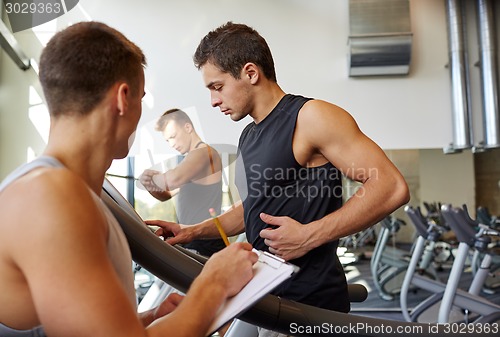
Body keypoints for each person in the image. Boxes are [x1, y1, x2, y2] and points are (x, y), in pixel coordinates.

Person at [147, 22, 410, 337]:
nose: (214, 101)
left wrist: (309, 235)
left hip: (306, 301)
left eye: (217, 87)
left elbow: (390, 186)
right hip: (261, 289)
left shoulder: (310, 117)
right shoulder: (249, 134)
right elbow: (253, 209)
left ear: (251, 73)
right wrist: (192, 232)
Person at [0, 21, 258, 337]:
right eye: (141, 98)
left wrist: (149, 319)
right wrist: (214, 284)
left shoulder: (64, 190)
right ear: (123, 98)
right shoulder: (51, 197)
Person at [139, 108, 226, 257]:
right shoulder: (190, 162)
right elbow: (166, 195)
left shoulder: (204, 152)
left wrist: (152, 177)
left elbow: (173, 179)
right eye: (167, 140)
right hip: (191, 239)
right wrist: (149, 183)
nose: (171, 144)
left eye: (173, 136)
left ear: (187, 127)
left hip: (206, 245)